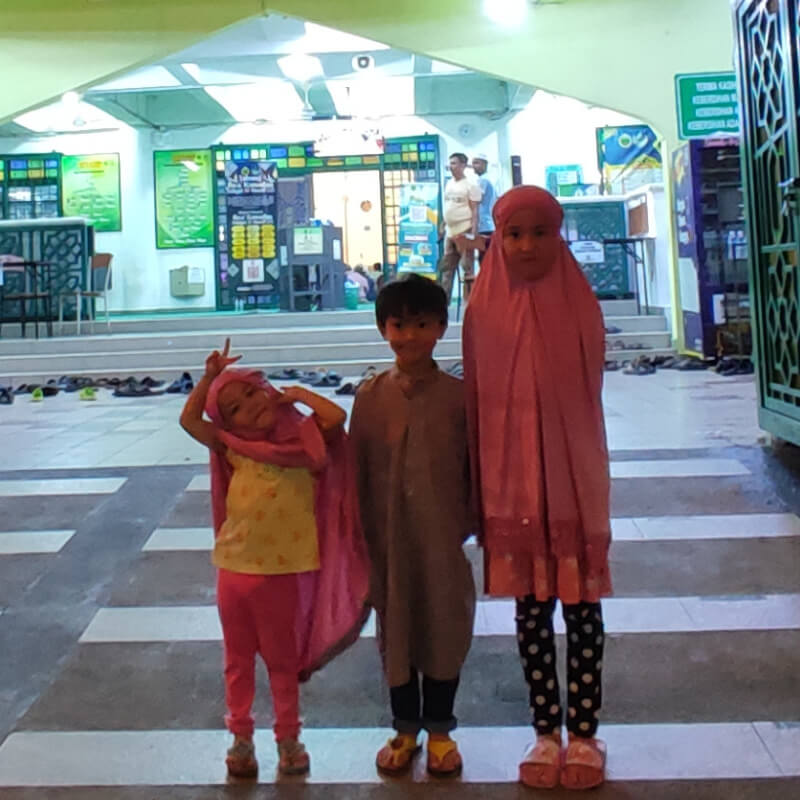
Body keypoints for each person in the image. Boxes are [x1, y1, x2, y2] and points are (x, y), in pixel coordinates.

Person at [463, 186, 612, 791]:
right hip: (514, 483)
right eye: (514, 234)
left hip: (571, 479)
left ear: (559, 236)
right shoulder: (481, 308)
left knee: (580, 608)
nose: (526, 246)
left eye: (540, 233)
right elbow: (475, 396)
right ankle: (544, 731)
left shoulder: (578, 303)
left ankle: (585, 735)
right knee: (530, 611)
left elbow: (589, 394)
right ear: (498, 238)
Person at [180, 339, 370, 780]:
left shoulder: (305, 445)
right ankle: (241, 739)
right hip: (235, 571)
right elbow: (189, 420)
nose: (250, 404)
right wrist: (209, 378)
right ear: (228, 423)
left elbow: (336, 418)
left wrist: (298, 394)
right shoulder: (229, 445)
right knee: (237, 660)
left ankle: (288, 738)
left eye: (252, 391)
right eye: (236, 406)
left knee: (282, 664)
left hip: (284, 574)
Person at [349, 274, 476, 778]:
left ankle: (441, 730)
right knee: (396, 631)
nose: (409, 336)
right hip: (387, 541)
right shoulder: (371, 396)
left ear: (441, 327)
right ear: (384, 329)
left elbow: (476, 469)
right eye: (399, 325)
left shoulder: (460, 398)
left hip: (443, 538)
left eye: (421, 324)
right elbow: (355, 469)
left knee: (444, 626)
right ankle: (405, 728)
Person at [439, 152, 482, 304]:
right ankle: (444, 302)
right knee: (446, 269)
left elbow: (475, 211)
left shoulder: (471, 185)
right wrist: (443, 224)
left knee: (467, 269)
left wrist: (474, 234)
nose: (451, 167)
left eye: (455, 163)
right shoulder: (449, 183)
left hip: (465, 230)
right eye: (450, 163)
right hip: (449, 232)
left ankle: (470, 302)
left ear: (463, 165)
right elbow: (448, 206)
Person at [471, 154, 497, 264]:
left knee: (484, 259)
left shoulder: (483, 180)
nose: (474, 166)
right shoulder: (488, 179)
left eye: (477, 163)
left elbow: (476, 199)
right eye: (473, 163)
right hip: (488, 225)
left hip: (484, 226)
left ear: (484, 164)